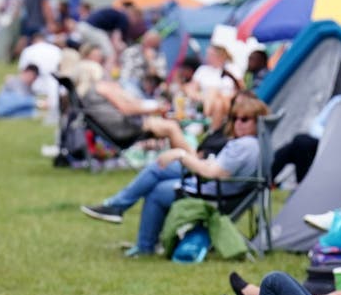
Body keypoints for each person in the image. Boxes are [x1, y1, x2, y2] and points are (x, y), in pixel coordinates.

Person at [79, 92, 269, 257]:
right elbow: (217, 167)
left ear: (258, 121)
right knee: (159, 168)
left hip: (215, 192)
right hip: (218, 185)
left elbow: (213, 173)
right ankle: (116, 207)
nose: (238, 123)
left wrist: (180, 154)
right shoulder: (257, 143)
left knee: (157, 190)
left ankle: (139, 238)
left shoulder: (244, 146)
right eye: (234, 118)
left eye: (244, 119)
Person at [272, 65, 341, 185]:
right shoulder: (339, 101)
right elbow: (316, 124)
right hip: (329, 143)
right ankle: (267, 179)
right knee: (292, 148)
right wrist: (329, 136)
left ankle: (299, 185)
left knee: (300, 142)